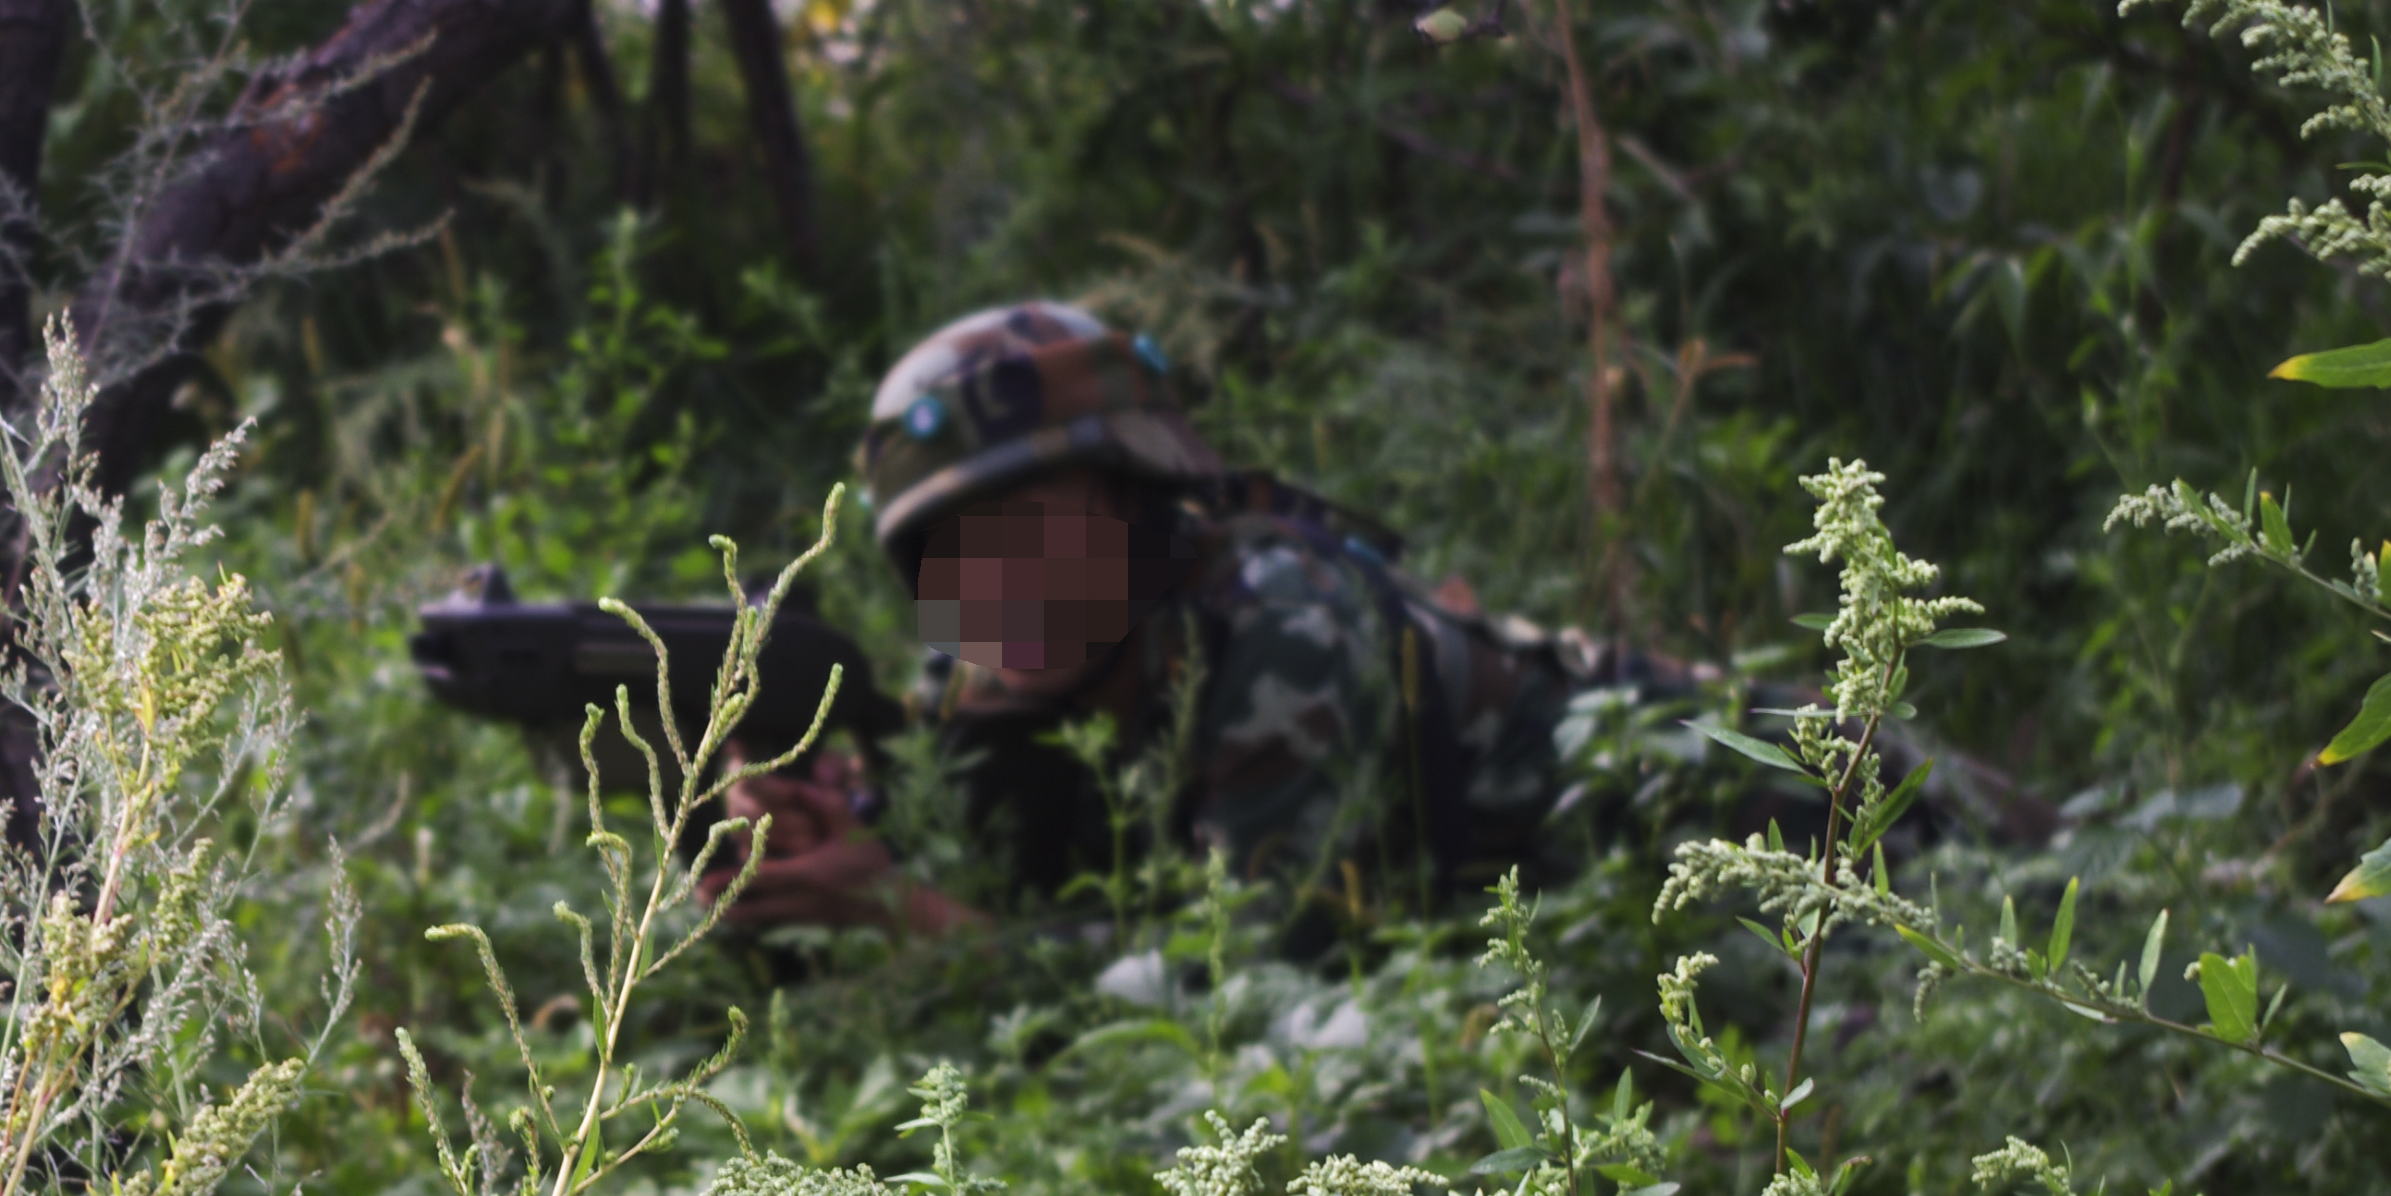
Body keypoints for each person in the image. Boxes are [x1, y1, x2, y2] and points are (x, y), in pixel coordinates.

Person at [714, 301, 1724, 936]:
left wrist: (905, 910)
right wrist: (822, 833)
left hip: (1751, 802)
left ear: (1135, 506)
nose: (996, 583)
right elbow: (985, 853)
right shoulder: (981, 668)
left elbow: (1247, 977)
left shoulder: (1286, 628)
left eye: (1026, 527)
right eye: (951, 549)